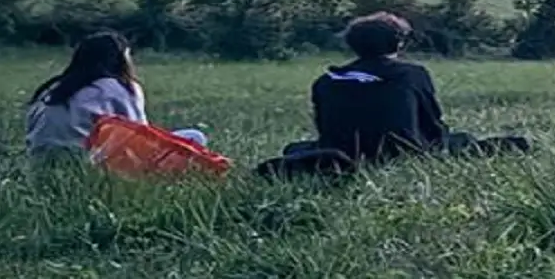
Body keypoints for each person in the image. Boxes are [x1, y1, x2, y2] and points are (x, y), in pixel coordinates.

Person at [264, 12, 528, 175]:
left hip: (342, 149)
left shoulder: (325, 81)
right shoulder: (410, 74)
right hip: (402, 153)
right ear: (398, 42)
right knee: (462, 140)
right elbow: (431, 124)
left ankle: (318, 162)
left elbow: (326, 128)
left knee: (295, 147)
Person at [26, 31, 208, 162]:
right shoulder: (119, 88)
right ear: (121, 59)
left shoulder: (52, 88)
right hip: (89, 164)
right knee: (194, 137)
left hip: (40, 165)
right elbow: (142, 135)